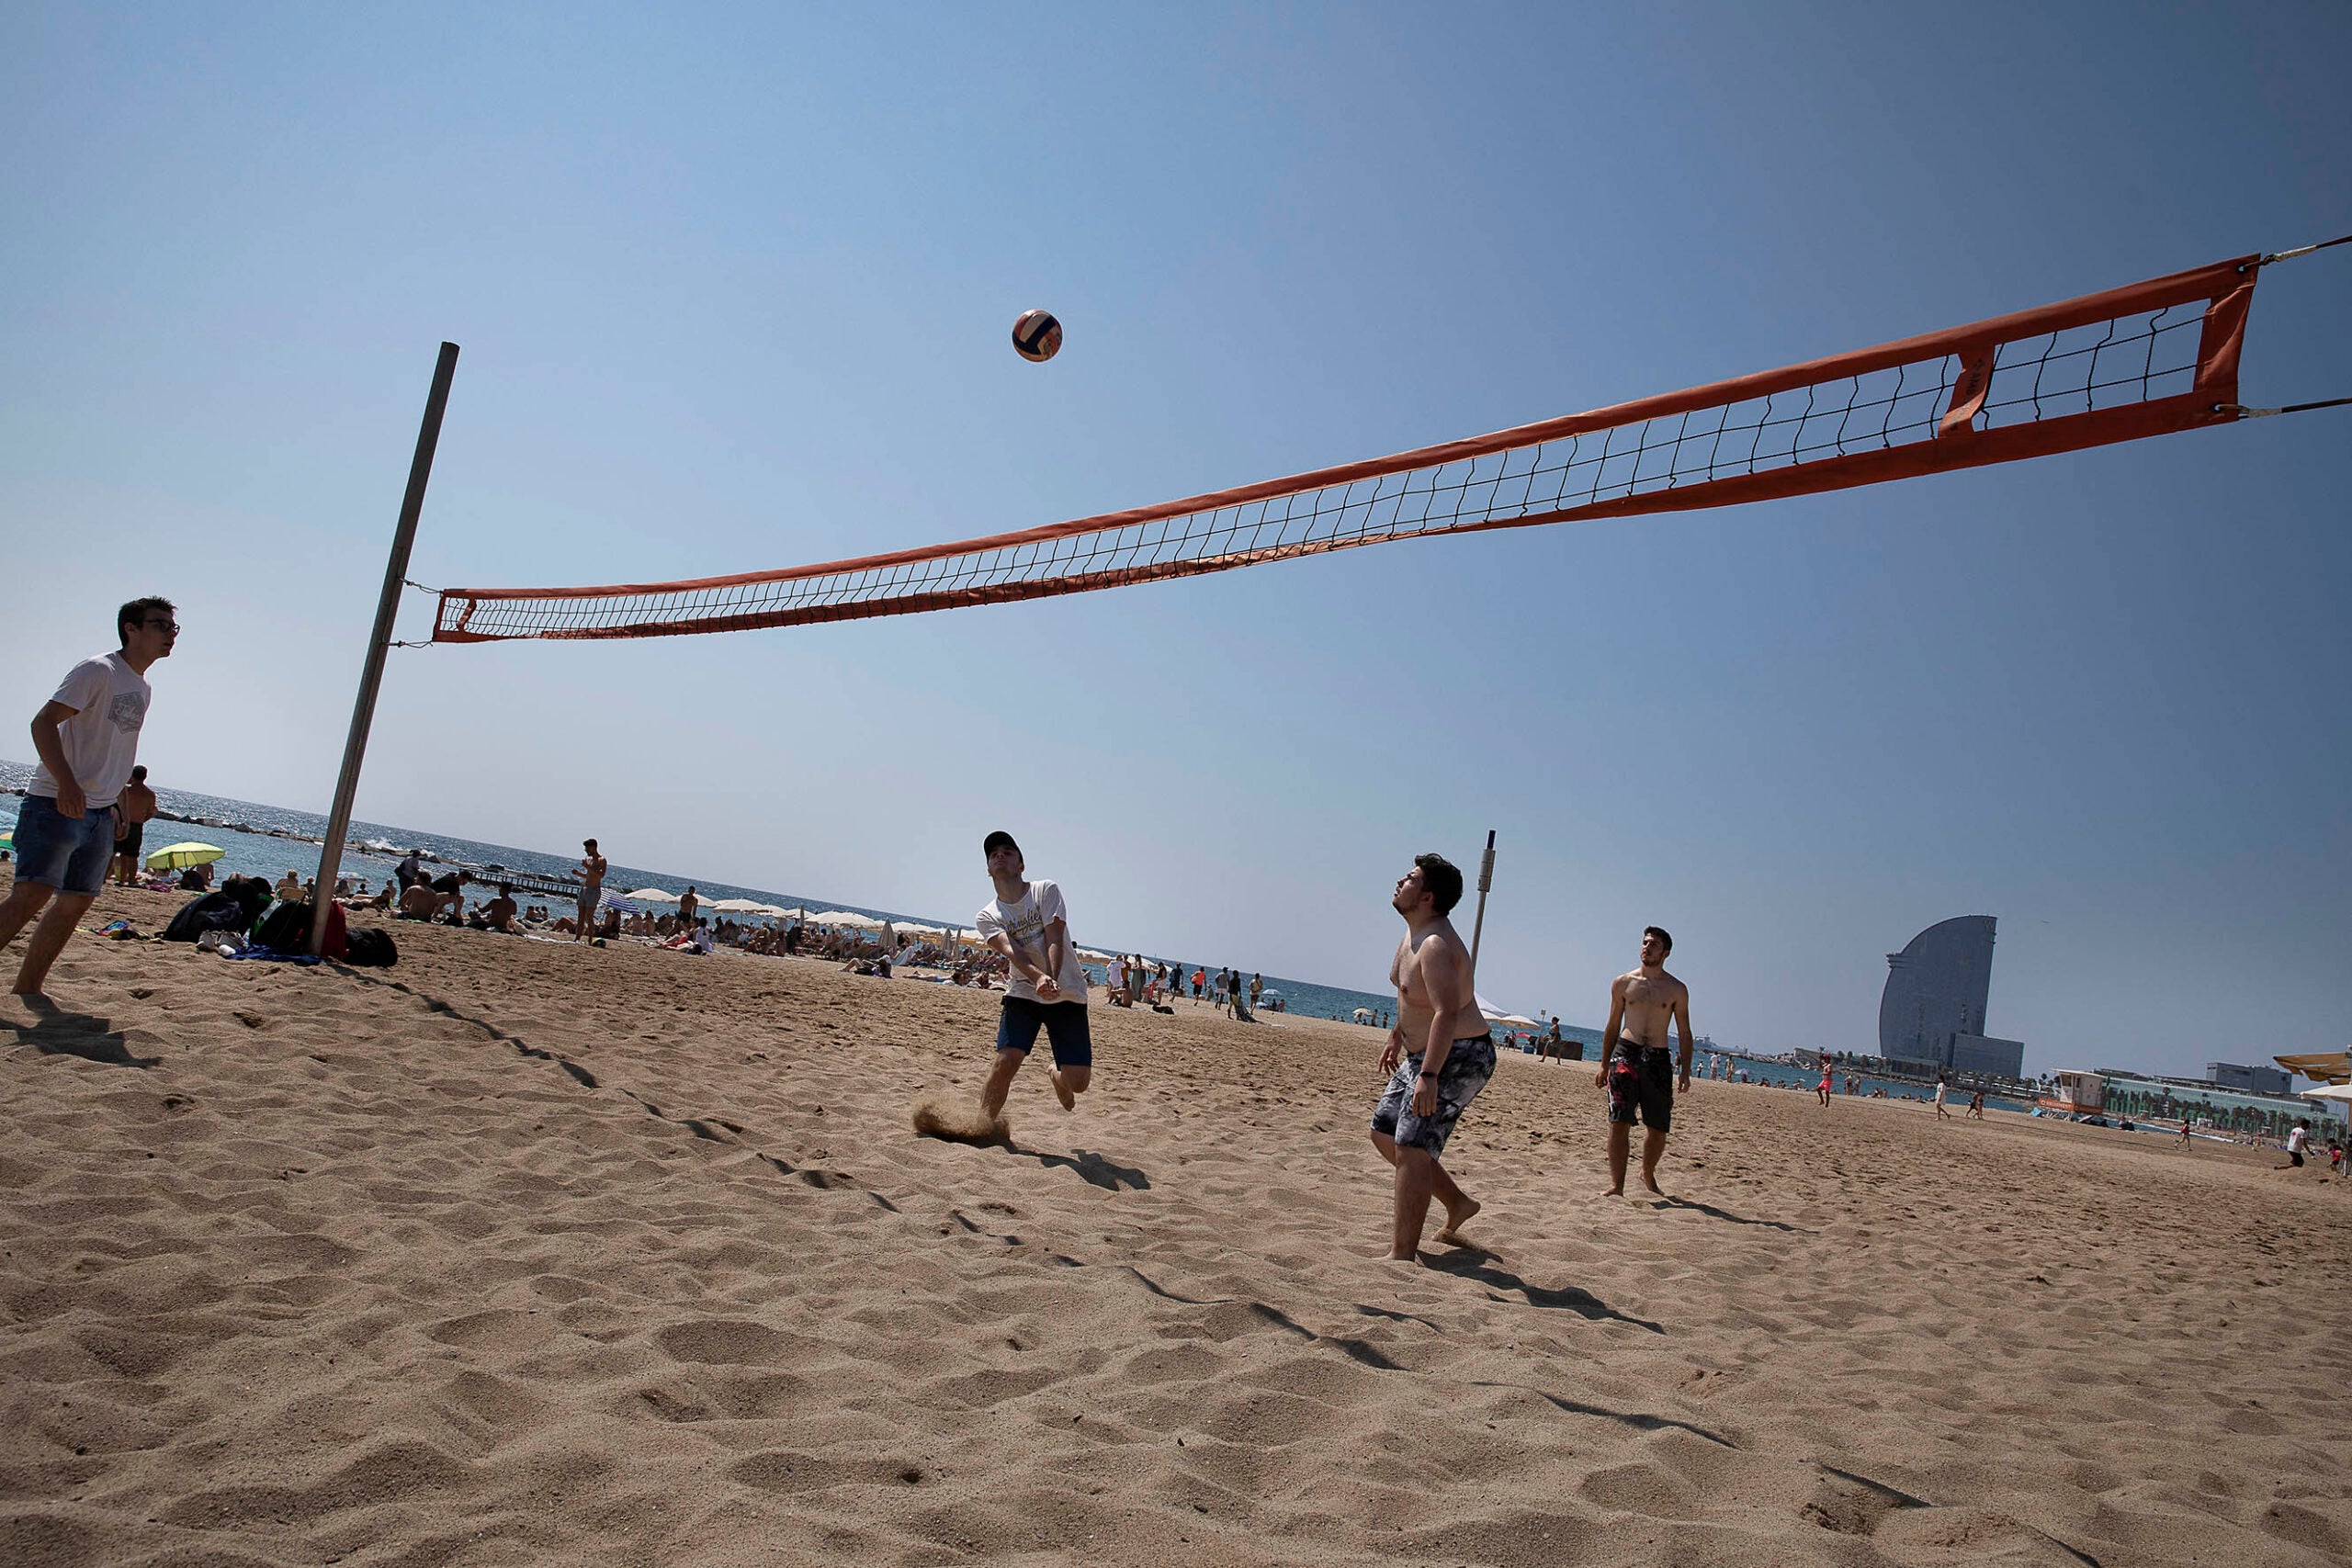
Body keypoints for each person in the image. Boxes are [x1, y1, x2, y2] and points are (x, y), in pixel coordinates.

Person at [0, 599, 175, 998]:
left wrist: (117, 805)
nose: (169, 634)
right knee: (31, 894)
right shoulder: (99, 670)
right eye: (160, 625)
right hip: (55, 802)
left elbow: (117, 751)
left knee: (76, 901)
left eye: (173, 628)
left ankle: (27, 989)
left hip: (99, 810)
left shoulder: (143, 686)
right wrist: (66, 784)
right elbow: (42, 722)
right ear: (131, 628)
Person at [1371, 852, 1493, 1262]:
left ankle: (1402, 1255)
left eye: (1410, 879)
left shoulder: (1436, 945)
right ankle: (1457, 1202)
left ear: (1427, 896)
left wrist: (1429, 1075)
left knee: (1412, 1146)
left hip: (1458, 1054)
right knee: (1385, 1134)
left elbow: (1447, 1011)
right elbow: (1412, 997)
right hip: (1423, 1053)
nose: (1400, 882)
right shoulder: (1412, 935)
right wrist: (1396, 1035)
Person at [971, 830, 1091, 1125]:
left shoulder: (1045, 890)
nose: (999, 855)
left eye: (1007, 851)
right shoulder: (987, 915)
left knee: (1078, 1082)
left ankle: (1055, 1074)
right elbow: (1014, 952)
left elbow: (1054, 937)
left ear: (1021, 865)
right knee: (1005, 1062)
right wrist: (1038, 979)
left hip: (1067, 992)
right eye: (993, 853)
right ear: (988, 869)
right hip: (1024, 991)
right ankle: (980, 1127)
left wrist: (1050, 979)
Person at [1596, 925, 1693, 1198]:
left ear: (1665, 953)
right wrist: (1604, 1064)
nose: (1646, 948)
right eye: (1644, 942)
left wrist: (1685, 1071)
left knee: (1658, 1126)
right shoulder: (1623, 983)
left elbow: (1684, 1032)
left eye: (1653, 944)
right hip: (1625, 1053)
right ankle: (1617, 1185)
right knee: (1619, 1121)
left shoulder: (1676, 989)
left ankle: (1647, 1171)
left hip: (1658, 1060)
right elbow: (1613, 1024)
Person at [110, 764, 157, 886]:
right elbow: (150, 813)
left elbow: (116, 807)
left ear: (132, 775)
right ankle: (131, 880)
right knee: (132, 855)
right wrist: (142, 821)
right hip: (137, 825)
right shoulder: (150, 794)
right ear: (145, 777)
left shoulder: (127, 790)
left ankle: (114, 879)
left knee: (114, 852)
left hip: (123, 823)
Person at [572, 839, 606, 942]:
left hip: (594, 890)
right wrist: (578, 874)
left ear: (593, 847)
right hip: (585, 889)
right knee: (580, 915)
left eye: (587, 848)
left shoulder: (602, 860)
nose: (586, 850)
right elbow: (589, 876)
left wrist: (588, 867)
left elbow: (601, 875)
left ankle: (590, 939)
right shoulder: (589, 859)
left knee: (589, 916)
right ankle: (577, 938)